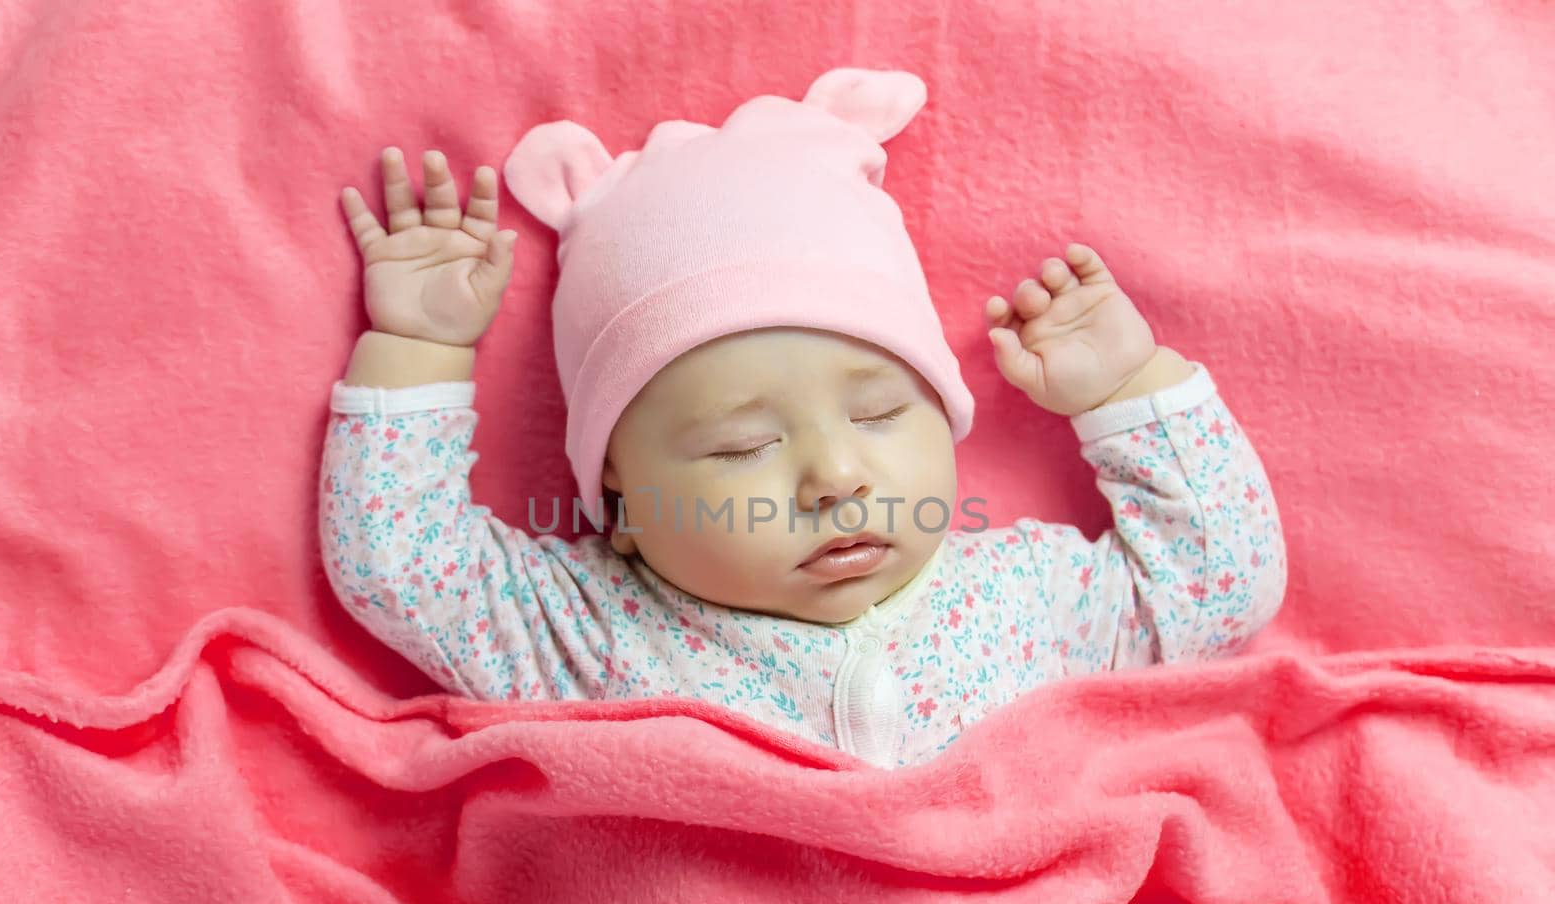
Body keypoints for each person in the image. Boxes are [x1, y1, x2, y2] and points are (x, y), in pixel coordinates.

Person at [320, 68, 1286, 769]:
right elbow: (397, 563)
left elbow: (1216, 587)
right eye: (745, 446)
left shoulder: (1023, 601)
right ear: (615, 487)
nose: (836, 478)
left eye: (880, 413)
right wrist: (422, 347)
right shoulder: (576, 630)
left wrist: (1128, 388)